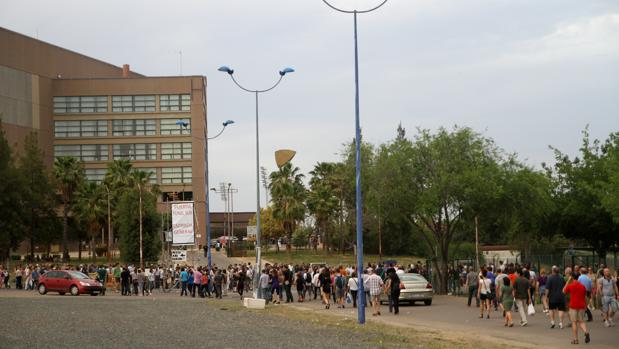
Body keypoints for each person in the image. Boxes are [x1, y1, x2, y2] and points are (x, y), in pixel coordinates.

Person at [563, 272, 591, 345]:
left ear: (571, 277)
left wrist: (568, 281)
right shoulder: (582, 286)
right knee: (581, 321)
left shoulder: (571, 285)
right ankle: (586, 332)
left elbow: (563, 291)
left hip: (573, 306)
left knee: (574, 322)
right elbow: (585, 296)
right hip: (581, 306)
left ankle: (576, 339)